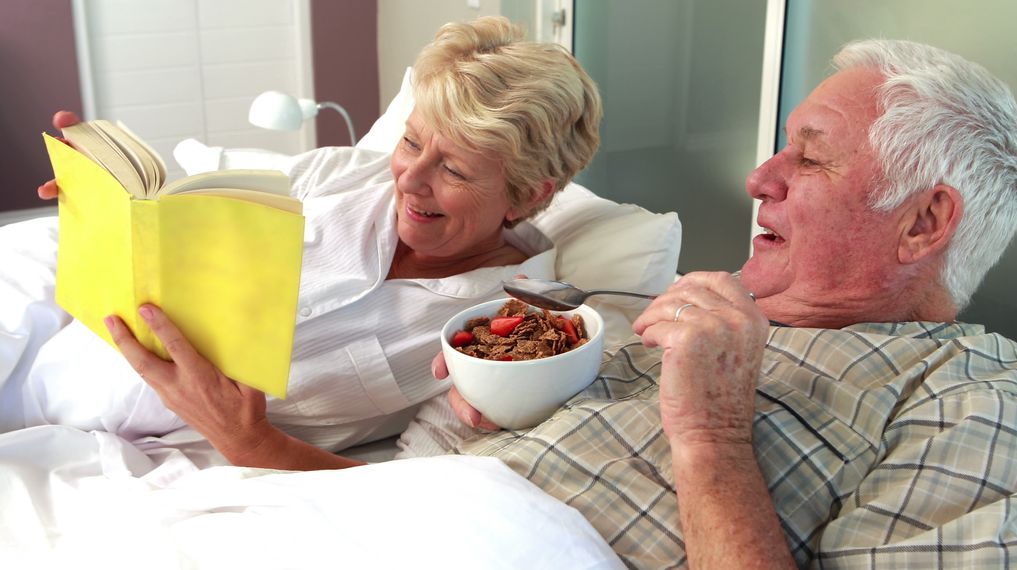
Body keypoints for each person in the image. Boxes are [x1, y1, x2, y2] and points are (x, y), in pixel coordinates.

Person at [402, 39, 1017, 567]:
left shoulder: (976, 397)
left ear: (923, 223)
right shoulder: (709, 318)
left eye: (810, 161)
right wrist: (517, 397)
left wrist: (714, 437)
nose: (758, 179)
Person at [1, 16, 601, 470]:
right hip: (57, 350)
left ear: (525, 195)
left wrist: (248, 440)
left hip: (132, 452)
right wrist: (99, 206)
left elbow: (414, 488)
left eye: (455, 171)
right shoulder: (337, 176)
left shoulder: (512, 333)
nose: (410, 180)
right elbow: (177, 230)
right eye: (413, 144)